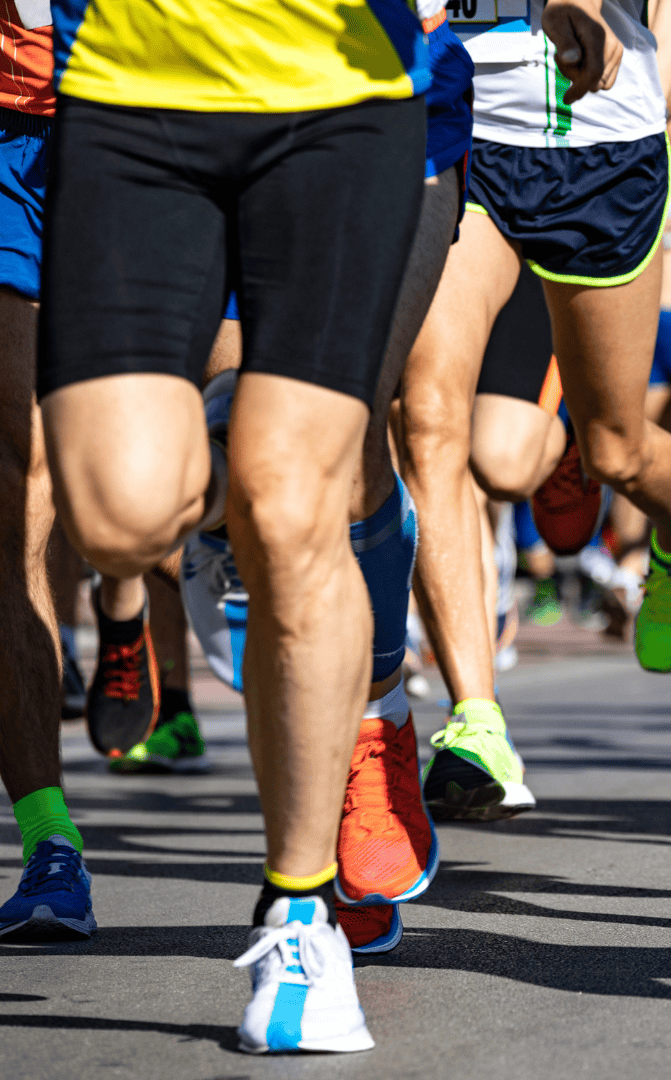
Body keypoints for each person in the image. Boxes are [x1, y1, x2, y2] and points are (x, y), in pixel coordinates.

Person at [36, 0, 432, 1050]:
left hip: (339, 101)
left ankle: (300, 913)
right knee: (116, 517)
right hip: (130, 91)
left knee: (295, 503)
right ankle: (220, 468)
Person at [400, 0, 671, 821]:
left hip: (603, 143)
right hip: (463, 136)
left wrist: (652, 77)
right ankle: (476, 720)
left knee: (616, 450)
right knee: (429, 415)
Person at [0, 3, 89, 944]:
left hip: (139, 118)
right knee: (18, 483)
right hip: (5, 135)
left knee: (124, 508)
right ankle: (48, 843)